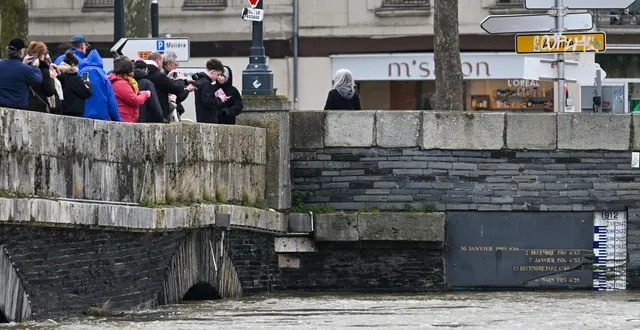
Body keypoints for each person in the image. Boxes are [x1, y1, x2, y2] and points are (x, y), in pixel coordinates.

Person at [146, 52, 195, 121]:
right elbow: (177, 92)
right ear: (168, 64)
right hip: (163, 113)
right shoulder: (160, 76)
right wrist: (186, 88)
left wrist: (185, 81)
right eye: (176, 64)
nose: (176, 67)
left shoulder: (148, 73)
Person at [0, 38, 43, 110]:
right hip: (18, 108)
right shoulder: (26, 69)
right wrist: (35, 67)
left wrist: (23, 63)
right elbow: (37, 80)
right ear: (21, 52)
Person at [78, 50, 121, 121]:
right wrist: (117, 119)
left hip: (83, 114)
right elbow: (111, 100)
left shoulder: (82, 73)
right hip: (101, 115)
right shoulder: (103, 76)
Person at [108, 56, 151, 123]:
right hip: (124, 119)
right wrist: (145, 94)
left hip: (124, 118)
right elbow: (134, 101)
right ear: (127, 69)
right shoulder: (121, 83)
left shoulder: (118, 80)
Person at [57, 51, 93, 117]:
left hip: (62, 111)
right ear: (74, 65)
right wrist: (87, 82)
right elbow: (87, 92)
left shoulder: (60, 77)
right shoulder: (74, 79)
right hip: (75, 113)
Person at [26, 41, 57, 113]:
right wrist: (52, 78)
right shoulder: (44, 70)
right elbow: (50, 92)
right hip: (39, 106)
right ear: (43, 54)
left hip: (26, 103)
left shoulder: (26, 67)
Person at [193, 58, 226, 124]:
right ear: (212, 72)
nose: (218, 77)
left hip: (201, 117)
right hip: (208, 119)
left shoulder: (200, 80)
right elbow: (208, 102)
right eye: (218, 74)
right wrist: (220, 99)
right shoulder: (206, 83)